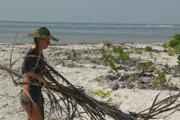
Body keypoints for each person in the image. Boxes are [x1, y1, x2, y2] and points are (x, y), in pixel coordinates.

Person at [20, 27, 58, 120]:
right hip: (29, 94)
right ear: (39, 39)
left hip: (36, 93)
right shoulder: (31, 53)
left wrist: (56, 83)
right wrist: (41, 80)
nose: (49, 43)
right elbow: (25, 71)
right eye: (47, 40)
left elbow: (45, 71)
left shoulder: (39, 53)